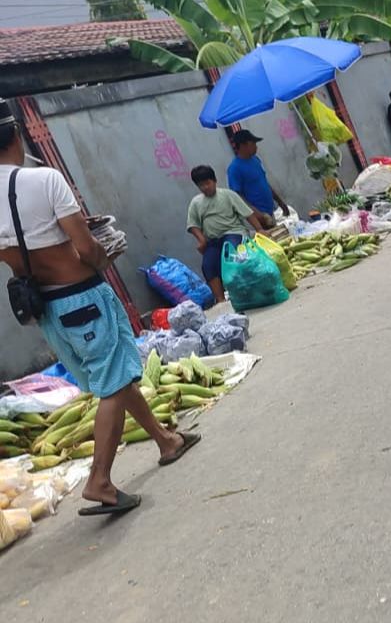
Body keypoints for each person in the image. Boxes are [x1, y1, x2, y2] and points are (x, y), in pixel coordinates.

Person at [0, 98, 198, 516]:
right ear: (16, 134)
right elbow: (87, 249)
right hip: (82, 297)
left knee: (116, 376)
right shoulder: (45, 180)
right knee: (113, 383)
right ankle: (100, 481)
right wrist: (102, 255)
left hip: (46, 309)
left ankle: (166, 440)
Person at [186, 165, 268, 302]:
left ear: (214, 181)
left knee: (231, 256)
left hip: (234, 233)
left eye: (208, 183)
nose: (205, 187)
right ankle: (220, 300)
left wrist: (260, 229)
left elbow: (247, 214)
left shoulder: (228, 195)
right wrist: (201, 240)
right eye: (201, 185)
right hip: (213, 240)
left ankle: (243, 291)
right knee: (208, 265)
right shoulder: (196, 203)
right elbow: (193, 225)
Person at [227, 130, 287, 229]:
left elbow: (264, 183)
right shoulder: (234, 168)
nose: (256, 147)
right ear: (243, 145)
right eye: (253, 143)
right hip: (258, 218)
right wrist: (258, 215)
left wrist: (281, 203)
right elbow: (237, 197)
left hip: (269, 213)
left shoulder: (255, 160)